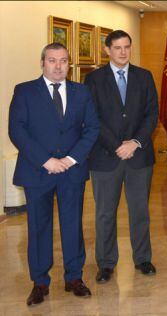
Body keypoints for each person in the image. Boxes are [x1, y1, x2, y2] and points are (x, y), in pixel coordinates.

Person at [9, 42, 99, 306]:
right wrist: (46, 160)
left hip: (71, 171)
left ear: (68, 64)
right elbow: (17, 131)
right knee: (39, 227)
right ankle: (39, 281)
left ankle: (74, 277)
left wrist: (70, 159)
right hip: (38, 171)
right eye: (52, 60)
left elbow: (92, 128)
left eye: (63, 61)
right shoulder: (25, 91)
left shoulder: (81, 92)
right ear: (42, 63)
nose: (58, 66)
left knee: (73, 225)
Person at [84, 30, 159, 282]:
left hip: (139, 156)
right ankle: (106, 263)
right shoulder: (93, 79)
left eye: (127, 47)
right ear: (107, 50)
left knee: (140, 211)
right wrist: (118, 145)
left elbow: (152, 115)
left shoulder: (144, 76)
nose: (123, 52)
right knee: (105, 213)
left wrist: (135, 142)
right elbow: (92, 118)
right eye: (117, 48)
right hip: (106, 157)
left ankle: (143, 258)